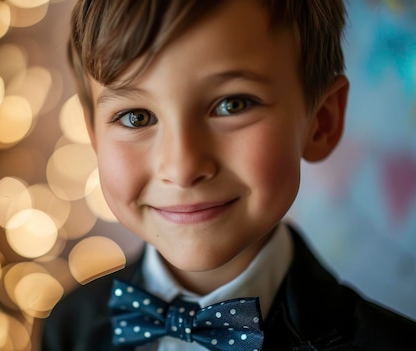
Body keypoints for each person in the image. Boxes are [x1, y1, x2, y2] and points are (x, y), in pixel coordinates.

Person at [42, 0, 416, 350]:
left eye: (231, 104)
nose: (182, 168)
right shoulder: (69, 327)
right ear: (94, 136)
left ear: (321, 122)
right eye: (136, 117)